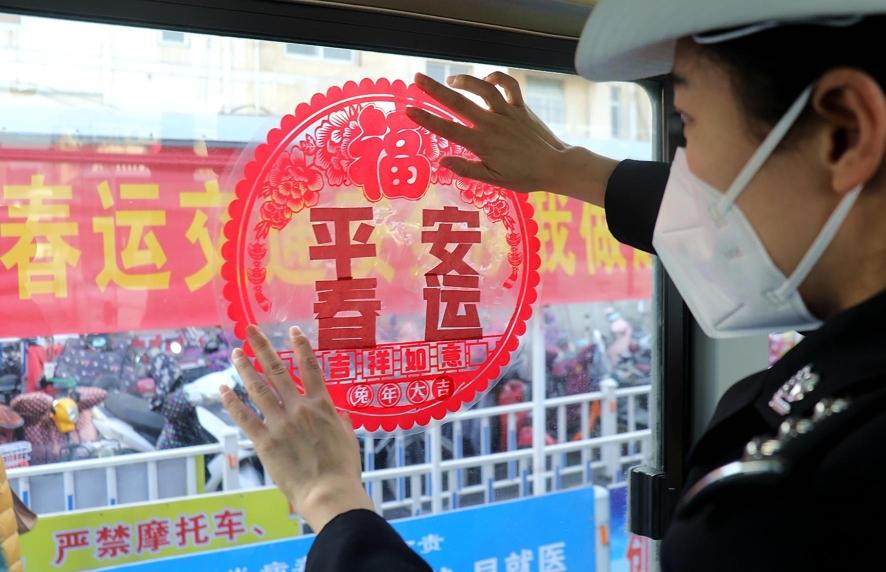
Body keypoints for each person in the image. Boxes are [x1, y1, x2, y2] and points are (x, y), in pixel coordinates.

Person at [221, 1, 886, 569]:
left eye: (686, 124)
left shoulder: (817, 503)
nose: (683, 171)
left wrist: (332, 501)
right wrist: (568, 168)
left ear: (845, 133)